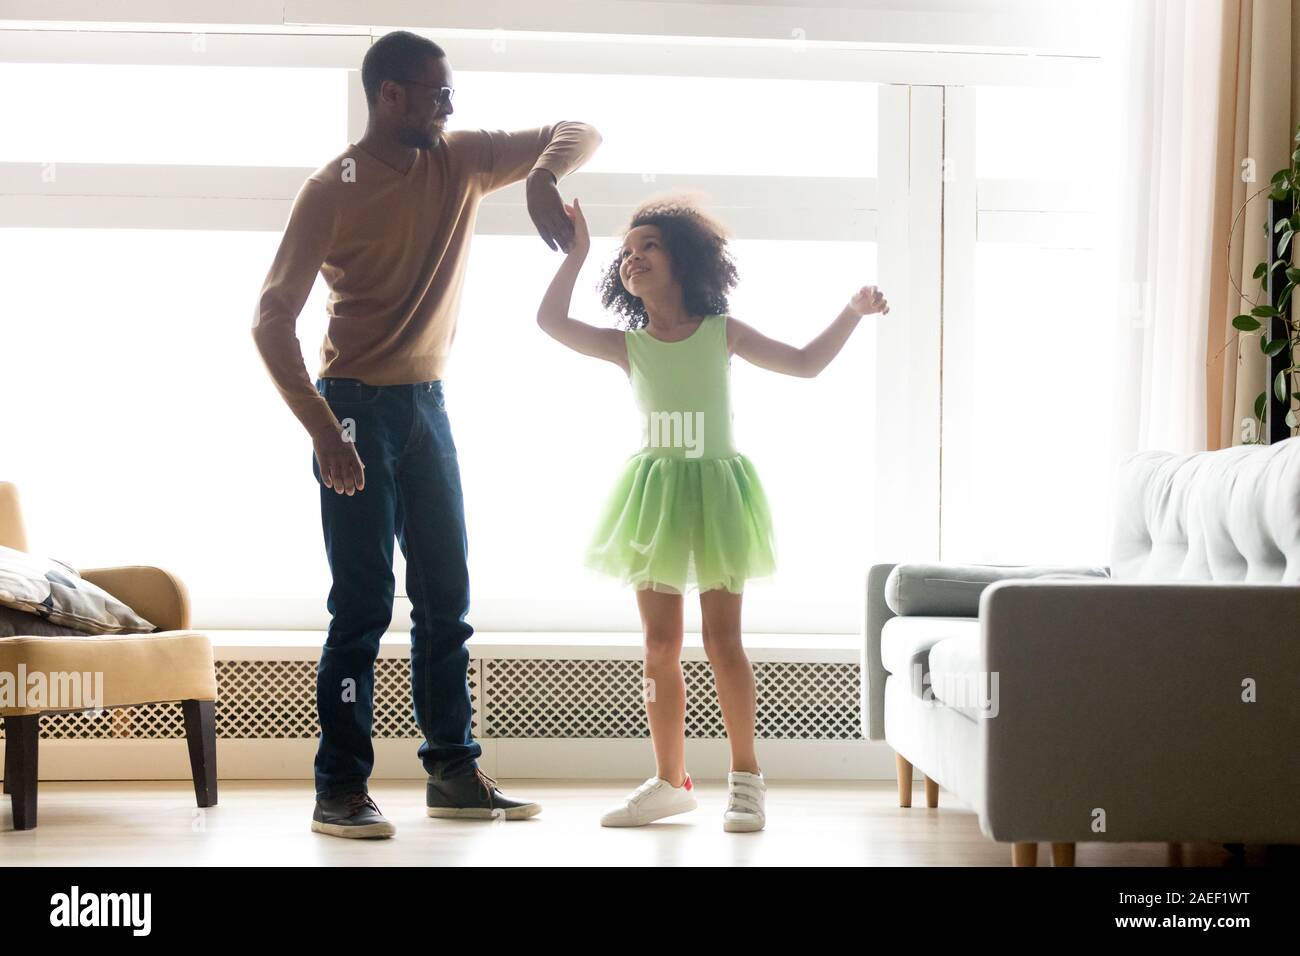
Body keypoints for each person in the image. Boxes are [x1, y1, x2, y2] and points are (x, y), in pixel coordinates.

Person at [252, 30, 601, 838]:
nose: (452, 106)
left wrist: (544, 175)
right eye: (437, 94)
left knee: (447, 599)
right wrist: (323, 431)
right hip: (352, 409)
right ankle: (338, 787)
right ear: (391, 96)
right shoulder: (330, 190)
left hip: (427, 408)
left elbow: (579, 127)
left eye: (451, 93)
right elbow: (272, 319)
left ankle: (453, 772)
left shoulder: (462, 157)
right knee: (364, 605)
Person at [537, 194, 889, 832]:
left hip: (720, 494)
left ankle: (747, 777)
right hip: (655, 499)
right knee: (658, 645)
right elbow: (550, 321)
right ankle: (670, 780)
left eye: (650, 245)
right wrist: (580, 251)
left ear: (685, 260)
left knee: (724, 641)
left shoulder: (720, 331)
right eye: (626, 252)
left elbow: (806, 364)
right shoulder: (627, 345)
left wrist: (853, 311)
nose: (634, 257)